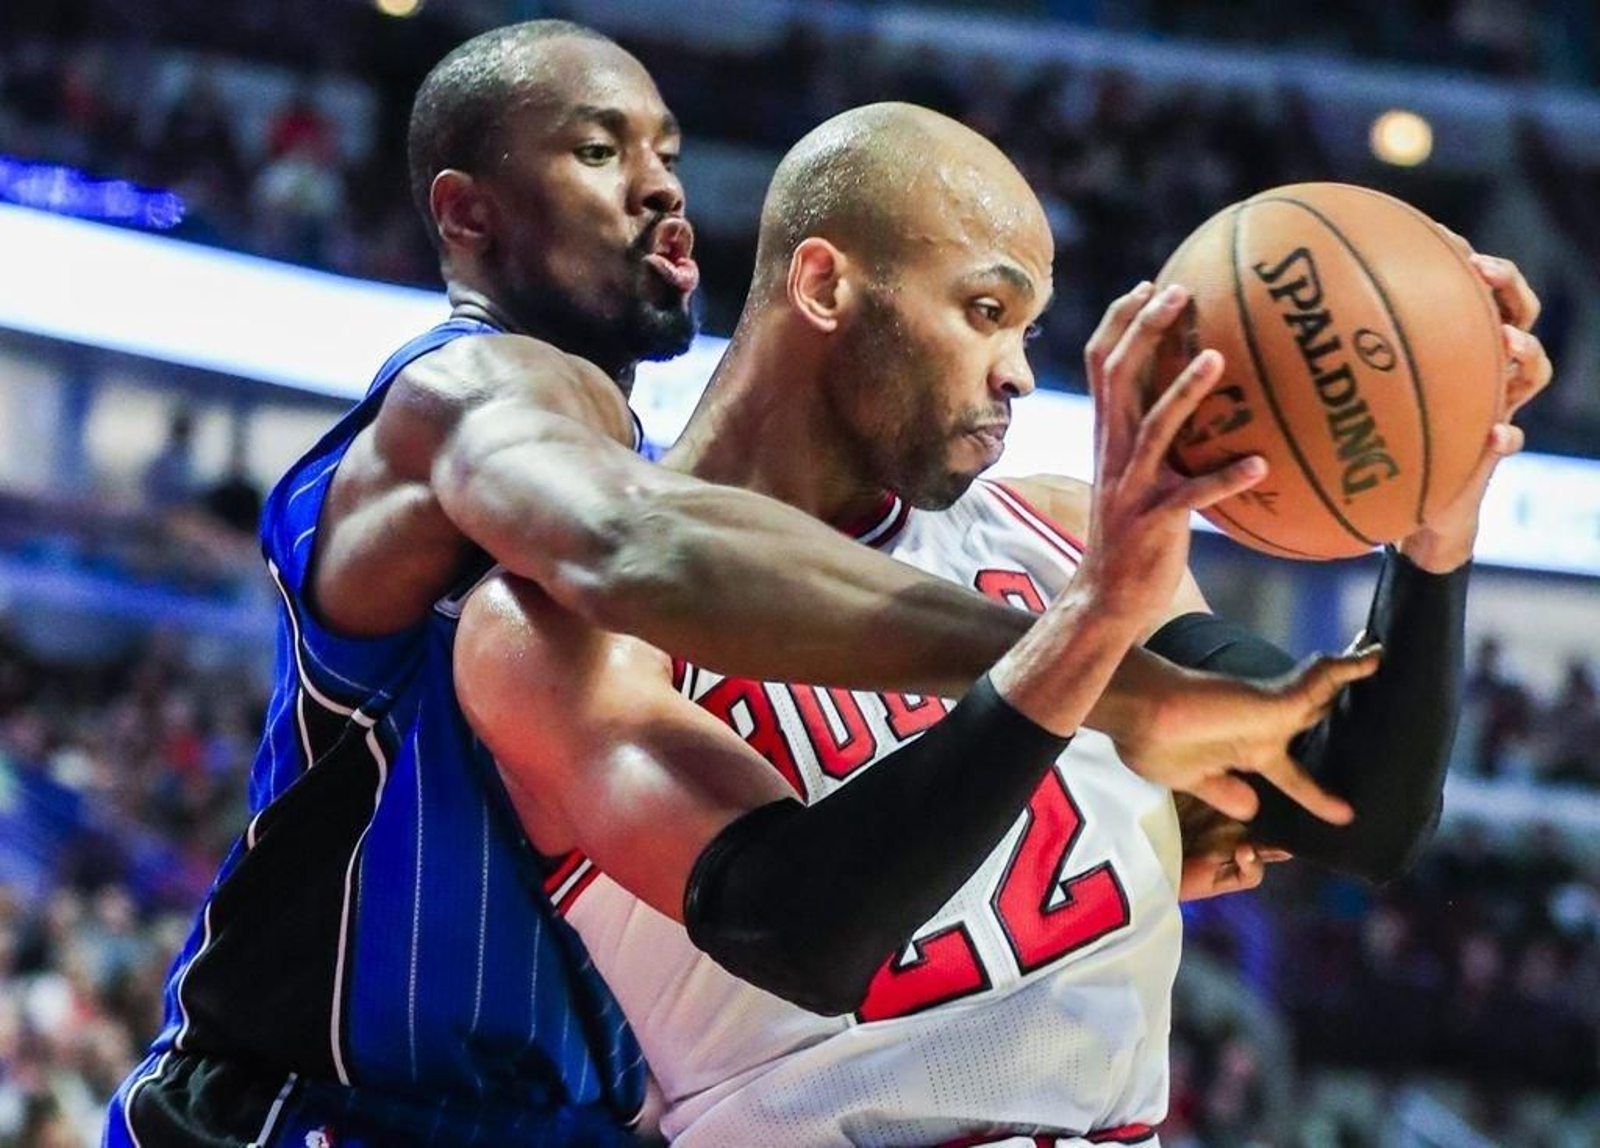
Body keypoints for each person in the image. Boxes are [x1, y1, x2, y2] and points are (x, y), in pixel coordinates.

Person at [104, 23, 1363, 1148]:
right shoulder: (459, 395)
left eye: (668, 147)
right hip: (305, 1106)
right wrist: (1093, 676)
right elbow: (632, 548)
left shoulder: (686, 497)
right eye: (599, 150)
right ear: (467, 214)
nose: (660, 182)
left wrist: (1083, 807)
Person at [455, 104, 1550, 1146]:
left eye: (1027, 328)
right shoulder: (564, 620)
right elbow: (800, 929)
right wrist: (1084, 629)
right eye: (986, 311)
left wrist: (1436, 519)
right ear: (826, 283)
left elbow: (1357, 811)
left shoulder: (1058, 532)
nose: (1019, 369)